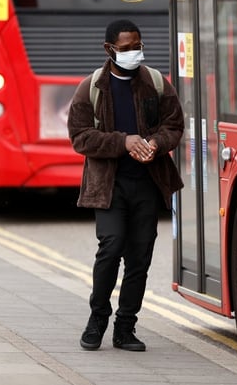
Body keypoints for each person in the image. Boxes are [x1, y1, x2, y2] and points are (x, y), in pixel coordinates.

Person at [67, 19, 184, 352]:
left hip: (147, 183)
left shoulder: (156, 83)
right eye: (127, 48)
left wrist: (155, 144)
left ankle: (125, 328)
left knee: (139, 258)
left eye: (138, 46)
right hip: (108, 186)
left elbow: (173, 125)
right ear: (109, 50)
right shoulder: (90, 87)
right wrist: (125, 142)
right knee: (111, 247)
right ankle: (97, 321)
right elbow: (80, 137)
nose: (135, 53)